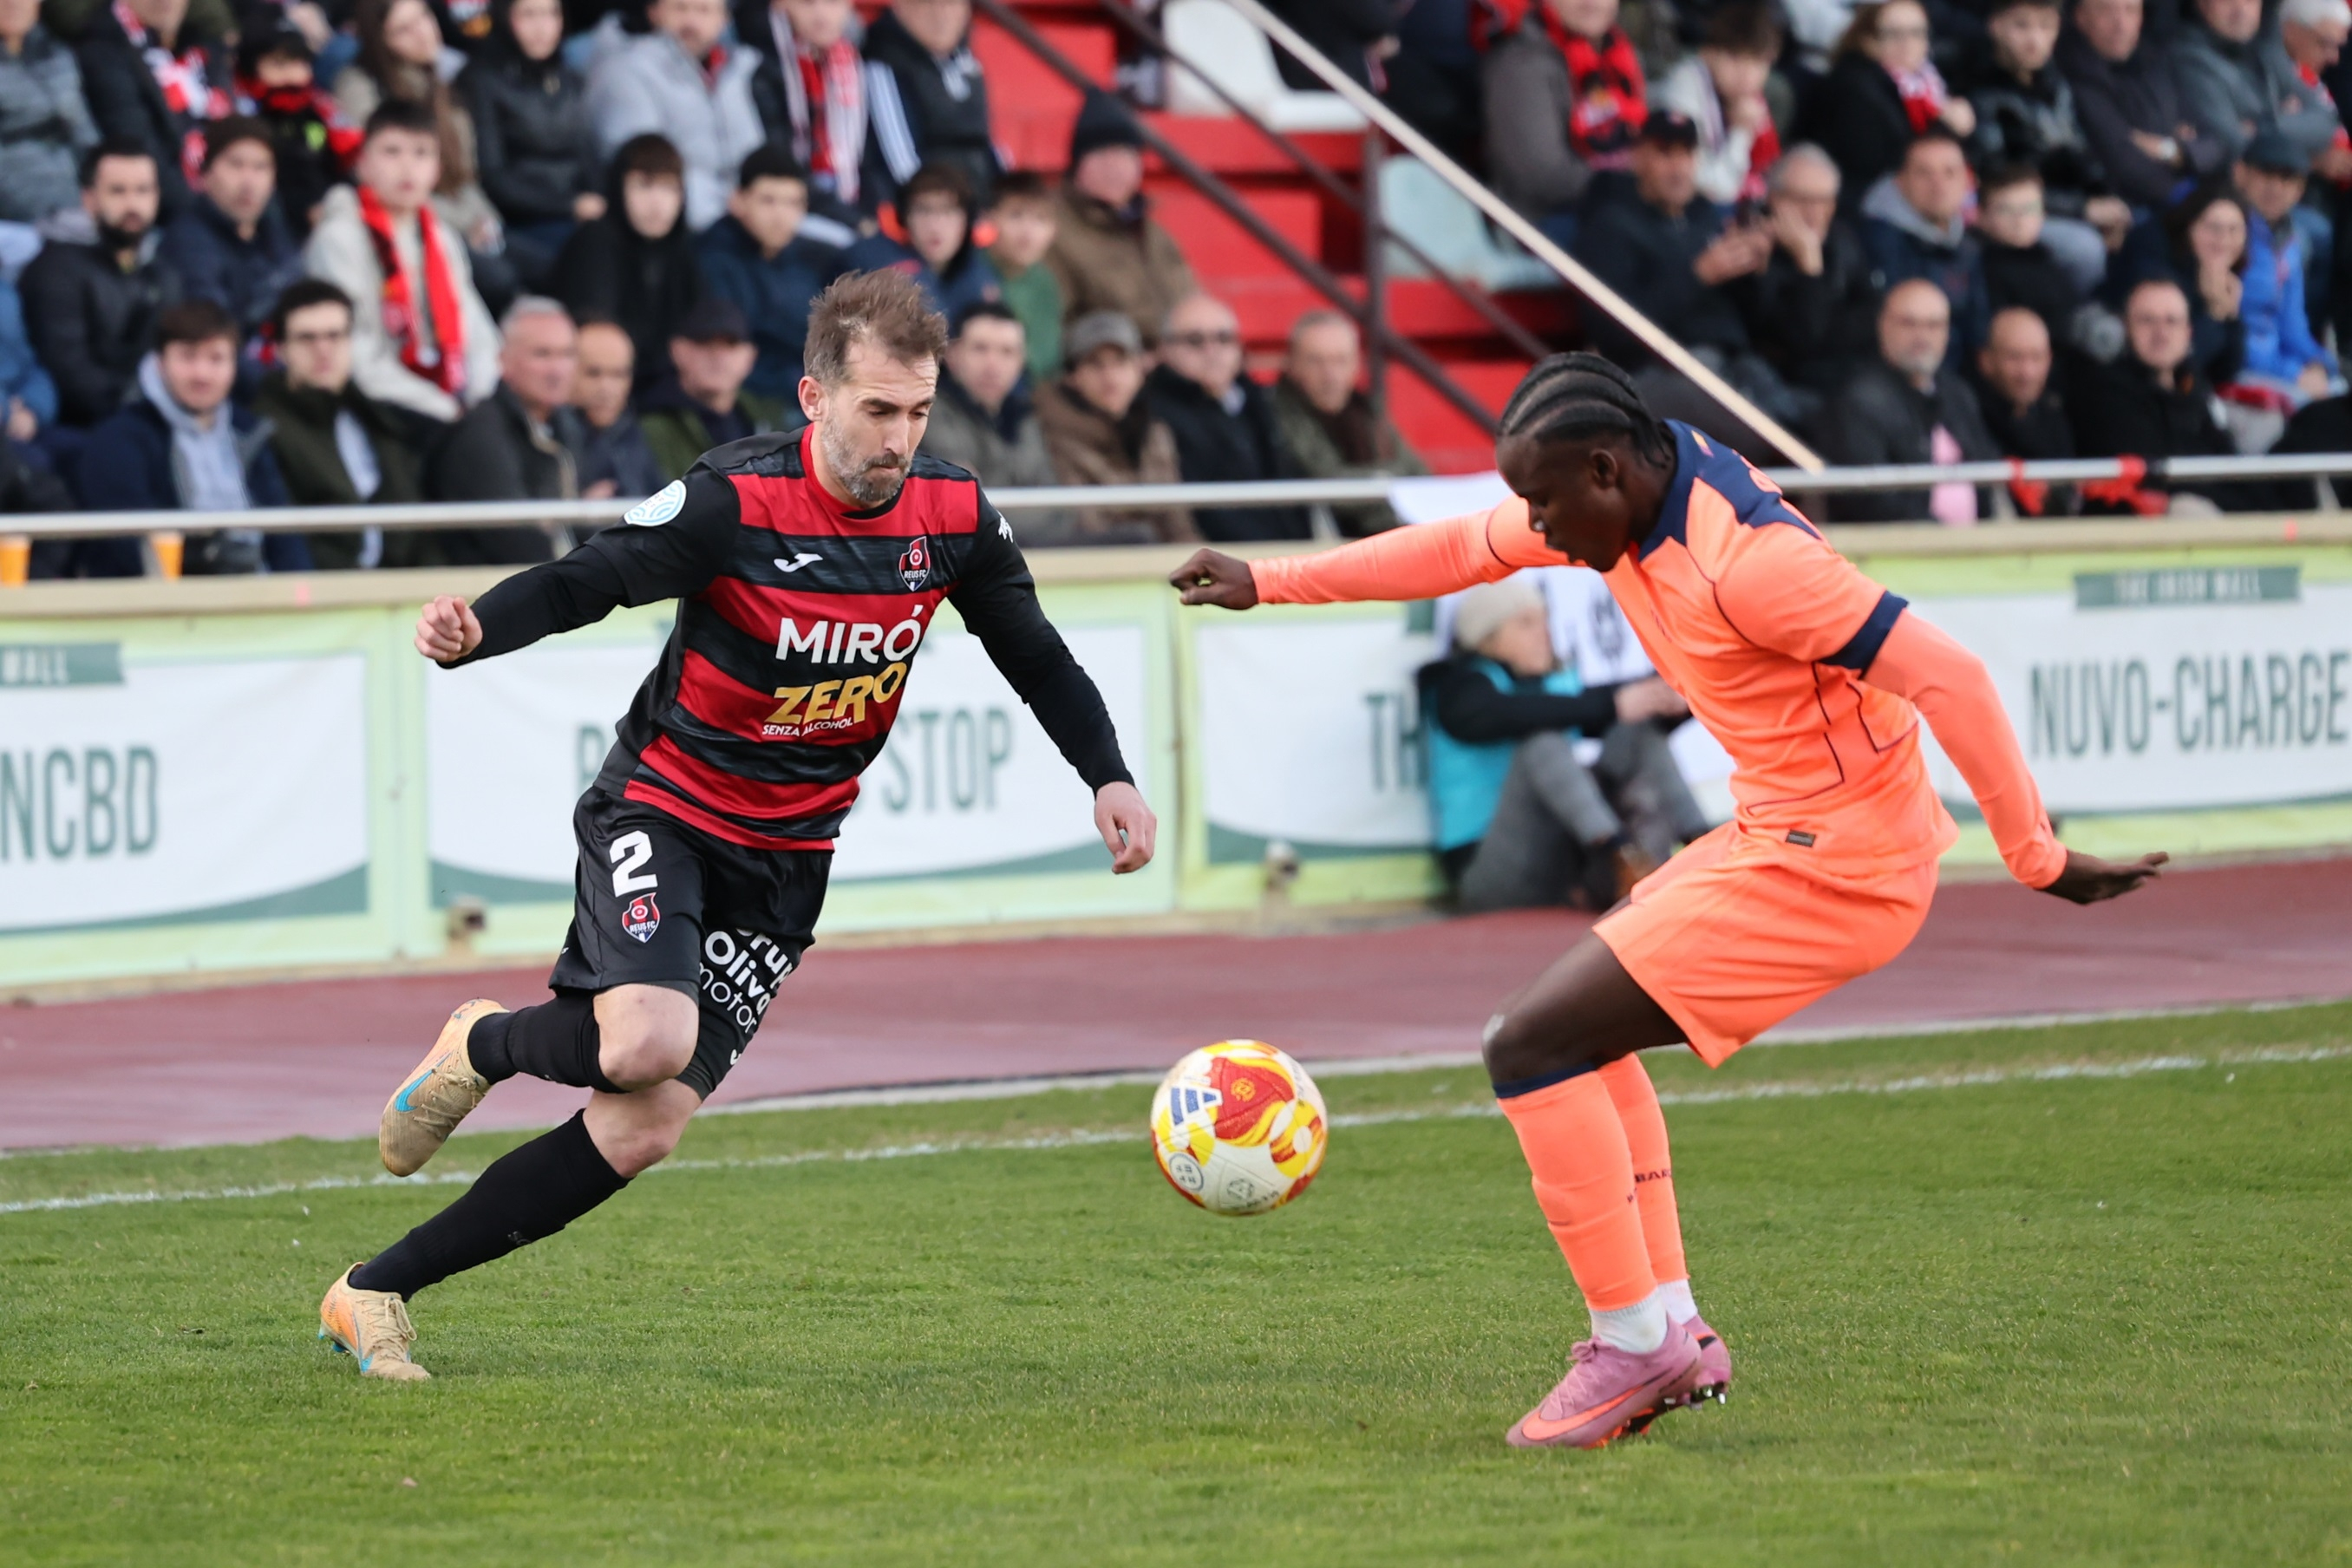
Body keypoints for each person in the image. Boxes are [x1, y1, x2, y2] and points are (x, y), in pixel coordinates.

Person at [1166, 350, 2164, 1452]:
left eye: (1542, 500)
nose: (1531, 524)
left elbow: (1953, 676)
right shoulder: (1629, 489)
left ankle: (1634, 1343)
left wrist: (2035, 855)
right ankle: (1673, 1328)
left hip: (1840, 866)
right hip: (1777, 832)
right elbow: (1457, 549)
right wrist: (1271, 579)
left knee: (1526, 1042)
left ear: (1604, 469)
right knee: (1575, 1040)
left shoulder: (1753, 568)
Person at [322, 267, 1157, 1382]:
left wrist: (1107, 773)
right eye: (878, 410)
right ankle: (485, 1041)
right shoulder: (735, 498)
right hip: (663, 808)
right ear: (815, 398)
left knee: (643, 1123)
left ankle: (372, 1288)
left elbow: (1034, 649)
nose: (901, 438)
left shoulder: (952, 515)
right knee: (647, 1042)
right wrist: (480, 627)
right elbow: (594, 577)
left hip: (790, 856)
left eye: (919, 411)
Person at [1421, 574, 1706, 912]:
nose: (1545, 634)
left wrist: (1672, 698)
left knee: (1638, 732)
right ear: (1487, 639)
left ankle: (1703, 849)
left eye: (1545, 621)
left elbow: (1596, 704)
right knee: (1543, 742)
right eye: (1526, 624)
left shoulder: (1549, 688)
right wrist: (1614, 703)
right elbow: (1509, 713)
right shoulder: (1460, 690)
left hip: (1566, 866)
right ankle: (1621, 855)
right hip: (1491, 873)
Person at [1573, 113, 1806, 436]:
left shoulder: (1705, 216)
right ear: (1638, 158)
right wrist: (1698, 275)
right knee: (1771, 433)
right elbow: (1614, 332)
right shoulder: (1610, 224)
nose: (1679, 168)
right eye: (1665, 154)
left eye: (1687, 154)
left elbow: (1752, 320)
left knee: (1813, 414)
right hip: (1663, 371)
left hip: (1735, 364)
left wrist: (1756, 272)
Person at [304, 101, 504, 423]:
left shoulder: (441, 238)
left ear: (437, 169)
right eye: (392, 152)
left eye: (421, 153)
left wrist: (479, 399)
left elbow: (477, 332)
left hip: (451, 401)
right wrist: (441, 408)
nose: (408, 167)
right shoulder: (339, 238)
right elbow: (353, 349)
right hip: (378, 405)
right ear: (363, 164)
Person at [76, 297, 306, 575]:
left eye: (216, 359)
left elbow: (284, 537)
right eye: (188, 356)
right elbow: (128, 548)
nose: (202, 374)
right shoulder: (119, 440)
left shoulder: (251, 432)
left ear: (235, 366)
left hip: (259, 596)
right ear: (160, 362)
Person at [1956, 0, 2133, 289]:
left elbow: (2080, 153)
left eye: (2045, 26)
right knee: (2084, 249)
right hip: (2013, 216)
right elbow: (1996, 181)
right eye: (2021, 25)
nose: (2034, 39)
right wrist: (2083, 209)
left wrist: (2105, 200)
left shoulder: (2055, 83)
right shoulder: (1980, 91)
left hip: (2066, 205)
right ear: (1995, 26)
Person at [255, 278, 423, 569]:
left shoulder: (375, 417)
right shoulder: (264, 427)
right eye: (307, 338)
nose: (323, 350)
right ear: (281, 348)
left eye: (335, 336)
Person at [335, 0, 506, 275]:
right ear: (381, 41)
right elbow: (378, 180)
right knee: (501, 279)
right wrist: (466, 223)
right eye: (404, 30)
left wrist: (486, 220)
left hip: (464, 218)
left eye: (423, 17)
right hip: (409, 226)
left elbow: (465, 177)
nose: (423, 33)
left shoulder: (441, 76)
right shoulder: (359, 87)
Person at [20, 141, 180, 428]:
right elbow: (71, 376)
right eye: (118, 191)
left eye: (143, 190)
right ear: (89, 198)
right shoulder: (54, 271)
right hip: (90, 428)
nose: (133, 204)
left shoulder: (162, 271)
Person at [1821, 278, 2003, 520]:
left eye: (1934, 325)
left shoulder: (1957, 393)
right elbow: (1871, 502)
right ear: (1883, 325)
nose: (1922, 336)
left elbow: (1987, 469)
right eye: (1909, 324)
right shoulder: (1858, 402)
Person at [419, 296, 576, 565]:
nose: (557, 370)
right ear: (503, 360)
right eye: (542, 354)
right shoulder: (479, 435)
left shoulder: (566, 425)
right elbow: (516, 542)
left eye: (567, 354)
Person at [1732, 145, 1882, 419]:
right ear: (1774, 199)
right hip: (1780, 392)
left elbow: (1868, 320)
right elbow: (1798, 341)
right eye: (1802, 200)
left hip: (1842, 380)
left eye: (1824, 201)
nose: (1815, 213)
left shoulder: (1842, 241)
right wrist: (1808, 265)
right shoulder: (1750, 246)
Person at [588, 0, 765, 232]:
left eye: (704, 10)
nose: (691, 22)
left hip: (750, 216)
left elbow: (756, 157)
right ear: (654, 13)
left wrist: (762, 204)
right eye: (680, 8)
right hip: (684, 225)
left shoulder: (740, 70)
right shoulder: (625, 71)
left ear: (724, 20)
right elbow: (647, 166)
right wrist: (735, 211)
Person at [1145, 291, 1310, 541]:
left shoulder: (1263, 404)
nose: (1212, 351)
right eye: (1195, 340)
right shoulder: (1152, 413)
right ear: (1165, 349)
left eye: (1223, 339)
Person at [461, 0, 602, 289]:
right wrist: (569, 205)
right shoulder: (481, 80)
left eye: (551, 14)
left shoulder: (568, 77)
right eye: (528, 14)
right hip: (524, 222)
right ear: (504, 18)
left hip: (581, 215)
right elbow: (493, 176)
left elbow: (588, 155)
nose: (542, 27)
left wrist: (599, 201)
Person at [1480, 0, 1649, 243]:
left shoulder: (1623, 56)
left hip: (1614, 212)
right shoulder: (1519, 64)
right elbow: (1542, 179)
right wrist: (1642, 180)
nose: (1590, 3)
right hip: (1541, 229)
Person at [552, 134, 705, 392]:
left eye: (669, 188)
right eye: (644, 186)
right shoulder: (594, 243)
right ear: (618, 187)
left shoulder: (684, 251)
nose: (657, 202)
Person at [159, 118, 305, 385]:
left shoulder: (274, 231)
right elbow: (215, 337)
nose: (249, 181)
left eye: (261, 167)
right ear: (205, 175)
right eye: (235, 165)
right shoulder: (189, 241)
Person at [2072, 277, 2239, 510]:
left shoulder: (2195, 389)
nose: (2161, 333)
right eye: (2147, 321)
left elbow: (2230, 464)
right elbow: (2156, 479)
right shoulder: (2103, 392)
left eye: (2171, 321)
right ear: (2125, 328)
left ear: (2188, 333)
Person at [1798, 0, 1975, 217]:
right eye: (1894, 34)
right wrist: (1945, 127)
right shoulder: (1854, 86)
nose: (1907, 43)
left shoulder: (1927, 83)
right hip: (1867, 210)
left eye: (1917, 33)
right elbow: (1884, 161)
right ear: (1866, 40)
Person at [696, 147, 846, 402]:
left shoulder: (808, 258)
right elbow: (729, 354)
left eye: (793, 203)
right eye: (768, 200)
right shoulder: (713, 262)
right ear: (738, 201)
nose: (781, 215)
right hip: (752, 400)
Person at [1035, 310, 1195, 545]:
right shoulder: (1053, 435)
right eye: (1095, 364)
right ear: (1072, 376)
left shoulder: (1154, 433)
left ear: (1140, 370)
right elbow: (1089, 525)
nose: (1110, 377)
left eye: (1121, 362)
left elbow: (1178, 522)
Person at [1046, 91, 1193, 346]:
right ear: (1077, 165)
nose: (1115, 167)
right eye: (1103, 155)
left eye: (1126, 154)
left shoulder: (1154, 233)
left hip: (1175, 363)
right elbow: (1055, 324)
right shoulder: (1053, 230)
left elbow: (1193, 301)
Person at [1271, 310, 1428, 538]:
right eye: (1316, 361)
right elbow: (1330, 482)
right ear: (1293, 364)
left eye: (1340, 360)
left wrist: (1381, 482)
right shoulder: (1276, 413)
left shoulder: (1366, 411)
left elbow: (1420, 475)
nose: (1330, 375)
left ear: (1356, 364)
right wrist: (1389, 482)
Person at [2059, 0, 2224, 208]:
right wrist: (2189, 201)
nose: (2121, 24)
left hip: (2188, 195)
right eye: (2106, 11)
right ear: (2081, 18)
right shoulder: (2076, 76)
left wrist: (2170, 150)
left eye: (2130, 10)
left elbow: (2216, 143)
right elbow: (2123, 161)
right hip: (2134, 207)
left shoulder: (2155, 62)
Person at [75, 0, 231, 219]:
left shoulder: (202, 43)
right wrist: (212, 217)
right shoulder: (104, 51)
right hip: (174, 217)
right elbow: (140, 148)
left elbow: (239, 135)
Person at [1860, 127, 1992, 359]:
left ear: (1966, 182)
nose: (1938, 184)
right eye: (1924, 173)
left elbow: (1977, 329)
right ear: (1901, 181)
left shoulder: (1969, 245)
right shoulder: (1875, 242)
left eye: (1949, 173)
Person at [743, 0, 872, 231]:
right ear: (781, 5)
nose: (821, 14)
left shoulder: (856, 57)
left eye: (832, 3)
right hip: (793, 201)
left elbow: (870, 155)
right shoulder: (763, 65)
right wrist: (855, 221)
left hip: (845, 195)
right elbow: (779, 160)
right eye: (807, 3)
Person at [919, 302, 1064, 507]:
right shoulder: (928, 413)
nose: (993, 365)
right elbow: (964, 508)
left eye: (1007, 352)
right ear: (952, 355)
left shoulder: (1025, 417)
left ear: (1021, 361)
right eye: (980, 349)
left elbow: (1056, 504)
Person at [862, 0, 1000, 208]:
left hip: (974, 206)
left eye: (952, 5)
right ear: (900, 6)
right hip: (927, 213)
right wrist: (957, 217)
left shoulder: (967, 62)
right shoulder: (882, 65)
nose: (941, 16)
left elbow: (985, 145)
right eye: (928, 4)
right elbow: (902, 167)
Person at [637, 296, 790, 480]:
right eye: (704, 342)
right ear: (676, 350)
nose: (718, 355)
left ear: (750, 356)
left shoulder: (770, 422)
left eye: (730, 344)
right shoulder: (651, 429)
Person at [1648, 1, 1783, 209]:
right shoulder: (1684, 91)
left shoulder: (1746, 100)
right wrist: (1741, 132)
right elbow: (1714, 189)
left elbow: (1767, 167)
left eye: (1757, 62)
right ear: (1708, 53)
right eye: (1735, 58)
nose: (1747, 75)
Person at [2232, 132, 2337, 398]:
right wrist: (2293, 374)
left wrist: (2322, 364)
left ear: (2300, 190)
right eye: (2267, 174)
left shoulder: (2291, 241)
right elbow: (2229, 335)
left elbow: (2293, 326)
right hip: (2237, 370)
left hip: (2279, 366)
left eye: (2287, 178)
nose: (2275, 187)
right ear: (2241, 173)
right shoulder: (2225, 233)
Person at [2112, 177, 2247, 382]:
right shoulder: (2154, 267)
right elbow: (2175, 362)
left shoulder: (2223, 277)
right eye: (2214, 228)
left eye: (2234, 230)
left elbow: (2227, 372)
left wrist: (2232, 315)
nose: (2224, 241)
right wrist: (2214, 314)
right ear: (2189, 227)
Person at [2172, 0, 2340, 165]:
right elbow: (2231, 142)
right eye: (2226, 2)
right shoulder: (2189, 58)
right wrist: (2287, 119)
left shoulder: (2264, 53)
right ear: (2202, 4)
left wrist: (2260, 127)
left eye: (2250, 1)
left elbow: (2326, 120)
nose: (2240, 10)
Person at [232, 23, 356, 241]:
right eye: (279, 65)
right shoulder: (249, 121)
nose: (293, 74)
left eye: (300, 63)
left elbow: (335, 160)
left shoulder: (317, 112)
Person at [845, 160, 1001, 323]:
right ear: (904, 218)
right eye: (923, 211)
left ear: (967, 220)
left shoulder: (979, 272)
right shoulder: (876, 262)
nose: (935, 226)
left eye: (948, 212)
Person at [0, 0, 101, 227]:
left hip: (80, 208)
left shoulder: (59, 55)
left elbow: (86, 135)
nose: (13, 3)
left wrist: (100, 192)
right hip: (18, 220)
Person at [1971, 304, 2077, 511]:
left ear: (2049, 361)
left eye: (2036, 358)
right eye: (2014, 358)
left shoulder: (2054, 417)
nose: (2026, 373)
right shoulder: (1968, 415)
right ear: (1986, 360)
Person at [1974, 164, 2084, 345]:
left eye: (2029, 208)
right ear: (1982, 217)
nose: (2019, 220)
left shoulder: (2048, 260)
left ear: (2043, 213)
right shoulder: (1982, 270)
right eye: (2005, 210)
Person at [568, 316, 663, 500]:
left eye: (618, 374)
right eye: (593, 373)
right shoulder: (553, 436)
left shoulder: (632, 433)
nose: (606, 388)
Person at [988, 170, 1062, 386]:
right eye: (1016, 215)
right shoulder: (974, 273)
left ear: (1053, 230)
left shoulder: (1045, 284)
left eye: (1041, 219)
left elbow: (1049, 359)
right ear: (991, 218)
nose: (1027, 231)